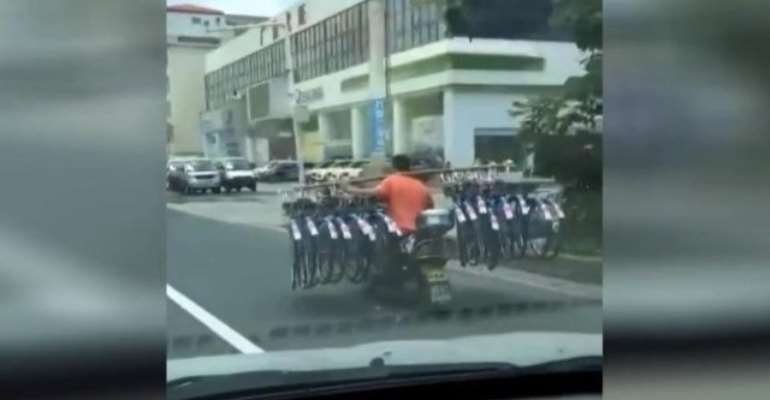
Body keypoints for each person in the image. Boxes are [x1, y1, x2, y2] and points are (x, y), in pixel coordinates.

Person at [344, 154, 433, 234]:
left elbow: (372, 193)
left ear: (393, 167)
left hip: (399, 229)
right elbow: (430, 205)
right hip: (419, 230)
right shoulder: (420, 185)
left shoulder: (391, 180)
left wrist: (350, 189)